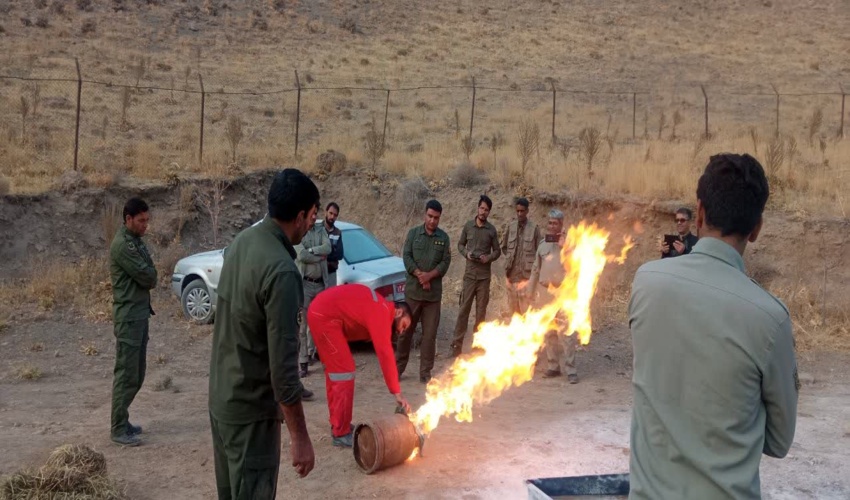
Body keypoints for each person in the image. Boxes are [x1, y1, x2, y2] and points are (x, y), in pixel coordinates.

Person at [628, 154, 798, 499]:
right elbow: (779, 442)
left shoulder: (646, 282)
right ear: (757, 229)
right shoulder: (770, 318)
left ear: (700, 212)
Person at [209, 169, 318, 500]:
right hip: (252, 418)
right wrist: (300, 438)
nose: (313, 223)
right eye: (312, 215)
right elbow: (284, 372)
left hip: (222, 401)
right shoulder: (282, 271)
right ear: (299, 217)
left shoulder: (242, 242)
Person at [306, 284, 413, 447]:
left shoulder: (380, 306)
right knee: (343, 372)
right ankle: (340, 433)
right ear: (398, 312)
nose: (401, 332)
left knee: (337, 373)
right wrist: (396, 392)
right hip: (324, 317)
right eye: (403, 326)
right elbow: (385, 353)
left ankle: (339, 424)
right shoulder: (382, 312)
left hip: (322, 313)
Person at [109, 197, 157, 447]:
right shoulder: (123, 246)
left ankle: (122, 419)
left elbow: (151, 273)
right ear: (128, 219)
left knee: (137, 374)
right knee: (127, 373)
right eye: (141, 221)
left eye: (147, 221)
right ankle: (117, 427)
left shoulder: (134, 242)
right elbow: (148, 276)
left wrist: (150, 273)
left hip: (138, 315)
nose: (145, 226)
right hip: (129, 317)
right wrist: (150, 273)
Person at [396, 199, 451, 384]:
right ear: (424, 215)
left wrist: (430, 277)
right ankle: (397, 369)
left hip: (432, 297)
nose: (432, 221)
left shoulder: (443, 239)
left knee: (429, 336)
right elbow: (407, 257)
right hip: (412, 294)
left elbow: (445, 263)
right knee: (405, 333)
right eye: (430, 216)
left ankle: (425, 373)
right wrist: (421, 275)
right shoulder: (413, 234)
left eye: (436, 218)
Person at [528, 209, 578, 384]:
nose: (551, 226)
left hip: (563, 294)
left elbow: (577, 267)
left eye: (555, 223)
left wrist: (565, 247)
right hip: (544, 293)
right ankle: (553, 366)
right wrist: (529, 291)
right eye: (549, 223)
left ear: (561, 225)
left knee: (567, 333)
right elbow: (535, 269)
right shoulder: (542, 245)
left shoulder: (569, 245)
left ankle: (570, 369)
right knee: (549, 332)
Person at [450, 195, 501, 357]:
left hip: (484, 279)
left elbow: (498, 251)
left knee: (480, 313)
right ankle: (456, 346)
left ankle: (477, 346)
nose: (483, 212)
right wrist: (467, 254)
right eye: (481, 208)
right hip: (469, 276)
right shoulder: (468, 227)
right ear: (477, 208)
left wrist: (489, 258)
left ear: (489, 212)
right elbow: (460, 245)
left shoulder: (491, 230)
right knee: (463, 311)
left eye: (486, 210)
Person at [295, 216, 331, 377]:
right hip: (305, 286)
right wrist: (319, 256)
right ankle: (303, 362)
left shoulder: (321, 230)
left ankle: (318, 355)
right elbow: (301, 255)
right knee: (303, 325)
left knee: (321, 324)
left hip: (321, 284)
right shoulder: (299, 231)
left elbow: (328, 248)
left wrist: (312, 250)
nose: (313, 216)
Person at [501, 197, 540, 318]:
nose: (519, 214)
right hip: (512, 278)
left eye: (522, 211)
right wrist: (510, 260)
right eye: (517, 211)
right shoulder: (511, 227)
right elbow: (504, 247)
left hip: (526, 279)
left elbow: (539, 252)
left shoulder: (534, 229)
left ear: (527, 211)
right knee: (514, 315)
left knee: (527, 315)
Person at [323, 202, 344, 288]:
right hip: (317, 275)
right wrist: (331, 250)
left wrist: (325, 254)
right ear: (326, 212)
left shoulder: (337, 232)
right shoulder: (317, 229)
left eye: (335, 215)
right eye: (331, 213)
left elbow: (339, 254)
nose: (332, 217)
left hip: (331, 273)